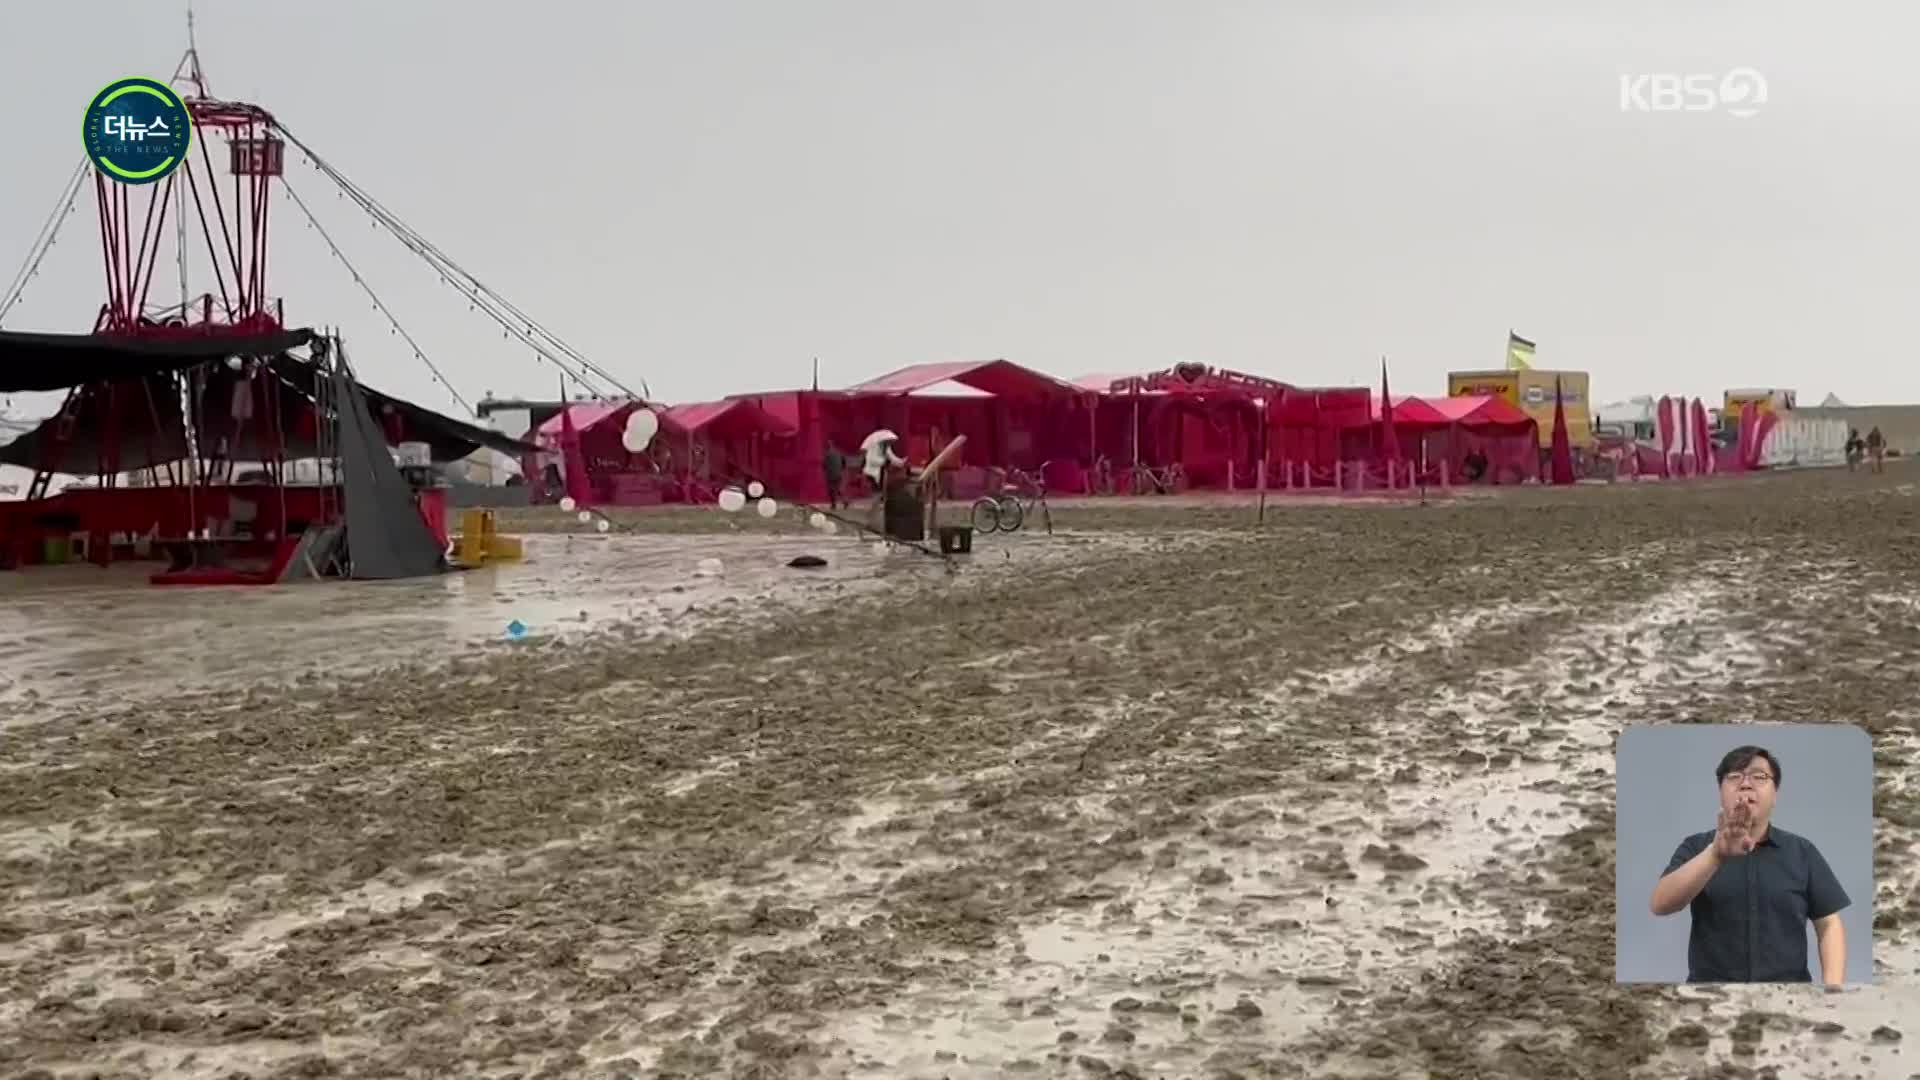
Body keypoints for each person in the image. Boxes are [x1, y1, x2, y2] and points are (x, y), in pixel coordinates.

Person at [1648, 746, 1849, 984]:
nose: (1746, 784)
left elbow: (1829, 923)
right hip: (1713, 1001)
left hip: (1790, 1000)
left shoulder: (1802, 852)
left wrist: (1833, 991)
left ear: (1775, 793)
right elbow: (1660, 904)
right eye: (1734, 777)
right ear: (1720, 792)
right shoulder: (1696, 847)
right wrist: (1714, 855)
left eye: (1759, 776)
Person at [822, 442, 846, 509]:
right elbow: (844, 463)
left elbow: (824, 465)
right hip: (838, 474)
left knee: (831, 490)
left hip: (831, 474)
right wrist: (841, 469)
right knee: (838, 489)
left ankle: (833, 504)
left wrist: (826, 470)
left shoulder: (827, 455)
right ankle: (845, 501)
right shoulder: (839, 453)